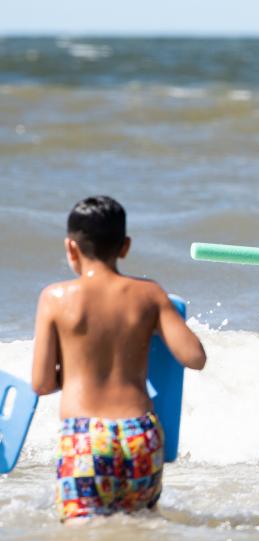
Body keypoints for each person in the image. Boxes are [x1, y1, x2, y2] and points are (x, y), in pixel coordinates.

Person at [31, 196, 207, 523]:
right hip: (140, 434)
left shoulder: (54, 299)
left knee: (83, 538)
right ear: (125, 246)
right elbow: (195, 357)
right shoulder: (149, 294)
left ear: (71, 248)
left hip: (85, 438)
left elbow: (40, 383)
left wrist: (78, 366)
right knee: (138, 531)